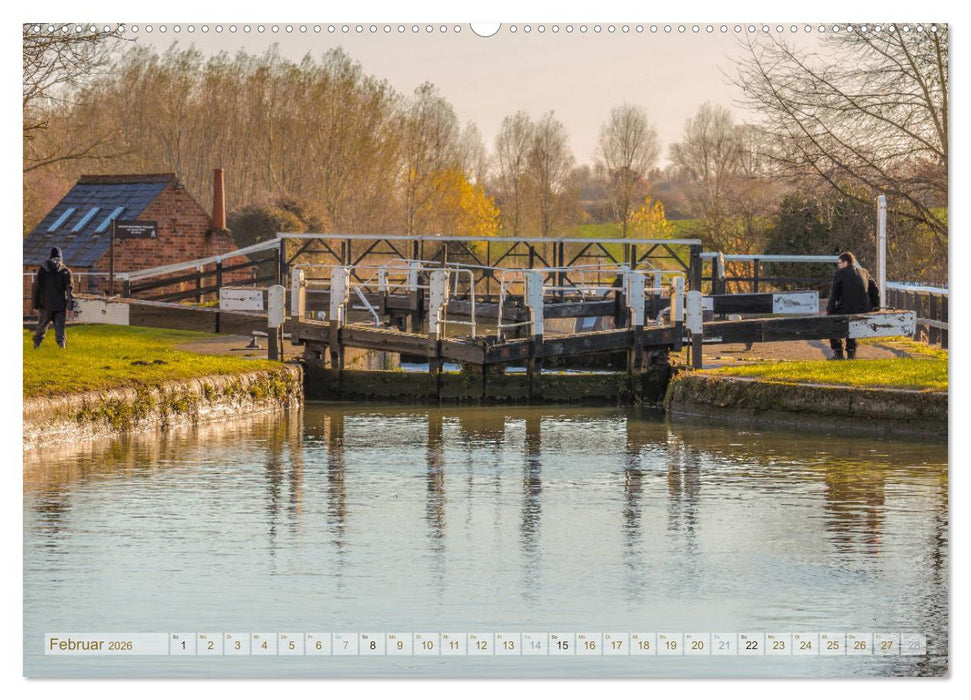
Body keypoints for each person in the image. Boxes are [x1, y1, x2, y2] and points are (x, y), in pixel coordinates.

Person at [826, 251, 880, 360]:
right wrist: (875, 306)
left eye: (840, 263)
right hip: (863, 309)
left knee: (831, 322)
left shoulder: (840, 273)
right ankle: (851, 351)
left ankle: (838, 352)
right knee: (852, 320)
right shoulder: (864, 272)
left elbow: (834, 295)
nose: (839, 265)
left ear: (845, 262)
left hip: (847, 309)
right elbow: (875, 289)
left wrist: (829, 311)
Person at [32, 247, 74, 349]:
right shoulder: (66, 271)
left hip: (45, 304)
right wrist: (70, 306)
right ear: (61, 258)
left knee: (41, 326)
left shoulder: (43, 270)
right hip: (60, 305)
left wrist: (36, 305)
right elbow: (69, 290)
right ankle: (61, 346)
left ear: (50, 257)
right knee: (60, 327)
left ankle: (36, 345)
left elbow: (36, 288)